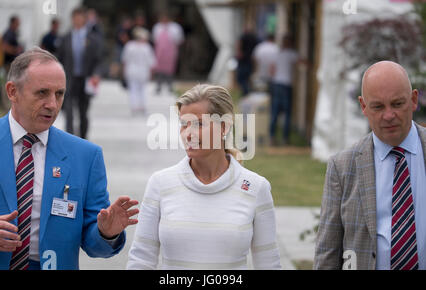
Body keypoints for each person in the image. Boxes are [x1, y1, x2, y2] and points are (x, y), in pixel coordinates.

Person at [0, 47, 139, 270]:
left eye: (59, 94)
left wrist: (106, 232)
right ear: (12, 91)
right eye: (42, 93)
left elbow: (95, 245)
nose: (52, 104)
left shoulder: (86, 156)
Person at [127, 84, 281, 270]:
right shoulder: (160, 183)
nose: (188, 134)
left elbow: (269, 264)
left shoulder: (256, 188)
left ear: (223, 127)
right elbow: (141, 259)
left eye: (199, 124)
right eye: (184, 124)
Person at [314, 61, 426, 270]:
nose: (389, 115)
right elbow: (328, 252)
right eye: (378, 106)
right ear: (363, 106)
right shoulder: (343, 167)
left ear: (413, 100)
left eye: (397, 104)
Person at [56, 7, 103, 139]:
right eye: (74, 18)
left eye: (79, 18)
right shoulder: (65, 38)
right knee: (69, 112)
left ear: (84, 20)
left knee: (83, 113)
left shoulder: (92, 39)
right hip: (69, 80)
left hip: (85, 80)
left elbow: (98, 60)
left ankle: (83, 139)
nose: (77, 20)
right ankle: (70, 140)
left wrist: (96, 74)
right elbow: (59, 58)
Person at [269, 35, 302, 146]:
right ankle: (285, 139)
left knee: (274, 112)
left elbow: (272, 69)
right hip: (286, 85)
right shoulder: (291, 54)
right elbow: (302, 62)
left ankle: (272, 137)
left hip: (277, 84)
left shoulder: (277, 54)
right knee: (287, 113)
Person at [121, 27, 155, 115]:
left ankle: (134, 106)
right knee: (142, 89)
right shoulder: (147, 47)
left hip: (132, 70)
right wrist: (152, 73)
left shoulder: (129, 46)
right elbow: (151, 62)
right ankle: (142, 106)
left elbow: (125, 60)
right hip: (143, 71)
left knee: (133, 89)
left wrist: (124, 71)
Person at [152, 12, 184, 95]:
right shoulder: (157, 27)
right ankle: (158, 86)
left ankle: (170, 86)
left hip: (170, 51)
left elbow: (179, 39)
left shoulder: (175, 27)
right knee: (159, 69)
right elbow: (155, 39)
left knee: (170, 69)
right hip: (159, 51)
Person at [235, 24, 259, 97]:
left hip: (243, 61)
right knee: (246, 79)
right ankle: (246, 92)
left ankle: (246, 93)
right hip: (249, 62)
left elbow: (239, 44)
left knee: (240, 78)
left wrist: (238, 53)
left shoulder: (243, 36)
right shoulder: (254, 38)